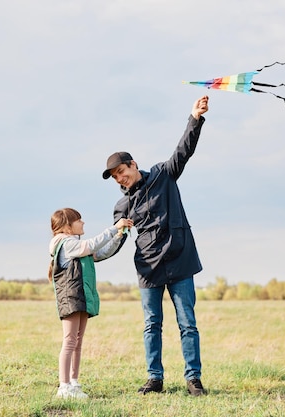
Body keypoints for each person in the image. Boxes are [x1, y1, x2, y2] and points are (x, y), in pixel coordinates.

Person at [101, 95, 209, 396]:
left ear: (133, 164)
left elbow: (183, 151)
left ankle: (193, 379)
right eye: (116, 177)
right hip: (149, 269)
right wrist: (89, 252)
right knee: (152, 324)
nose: (121, 178)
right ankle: (155, 378)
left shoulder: (163, 174)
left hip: (180, 262)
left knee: (188, 323)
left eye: (122, 171)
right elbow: (114, 242)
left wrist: (195, 118)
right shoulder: (122, 204)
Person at [48, 208, 133, 399]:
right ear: (67, 227)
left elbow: (100, 252)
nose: (83, 223)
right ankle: (64, 387)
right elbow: (91, 245)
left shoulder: (75, 245)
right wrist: (113, 228)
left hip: (82, 297)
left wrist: (119, 236)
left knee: (77, 342)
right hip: (70, 297)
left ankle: (74, 382)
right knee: (70, 341)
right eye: (79, 220)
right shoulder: (65, 243)